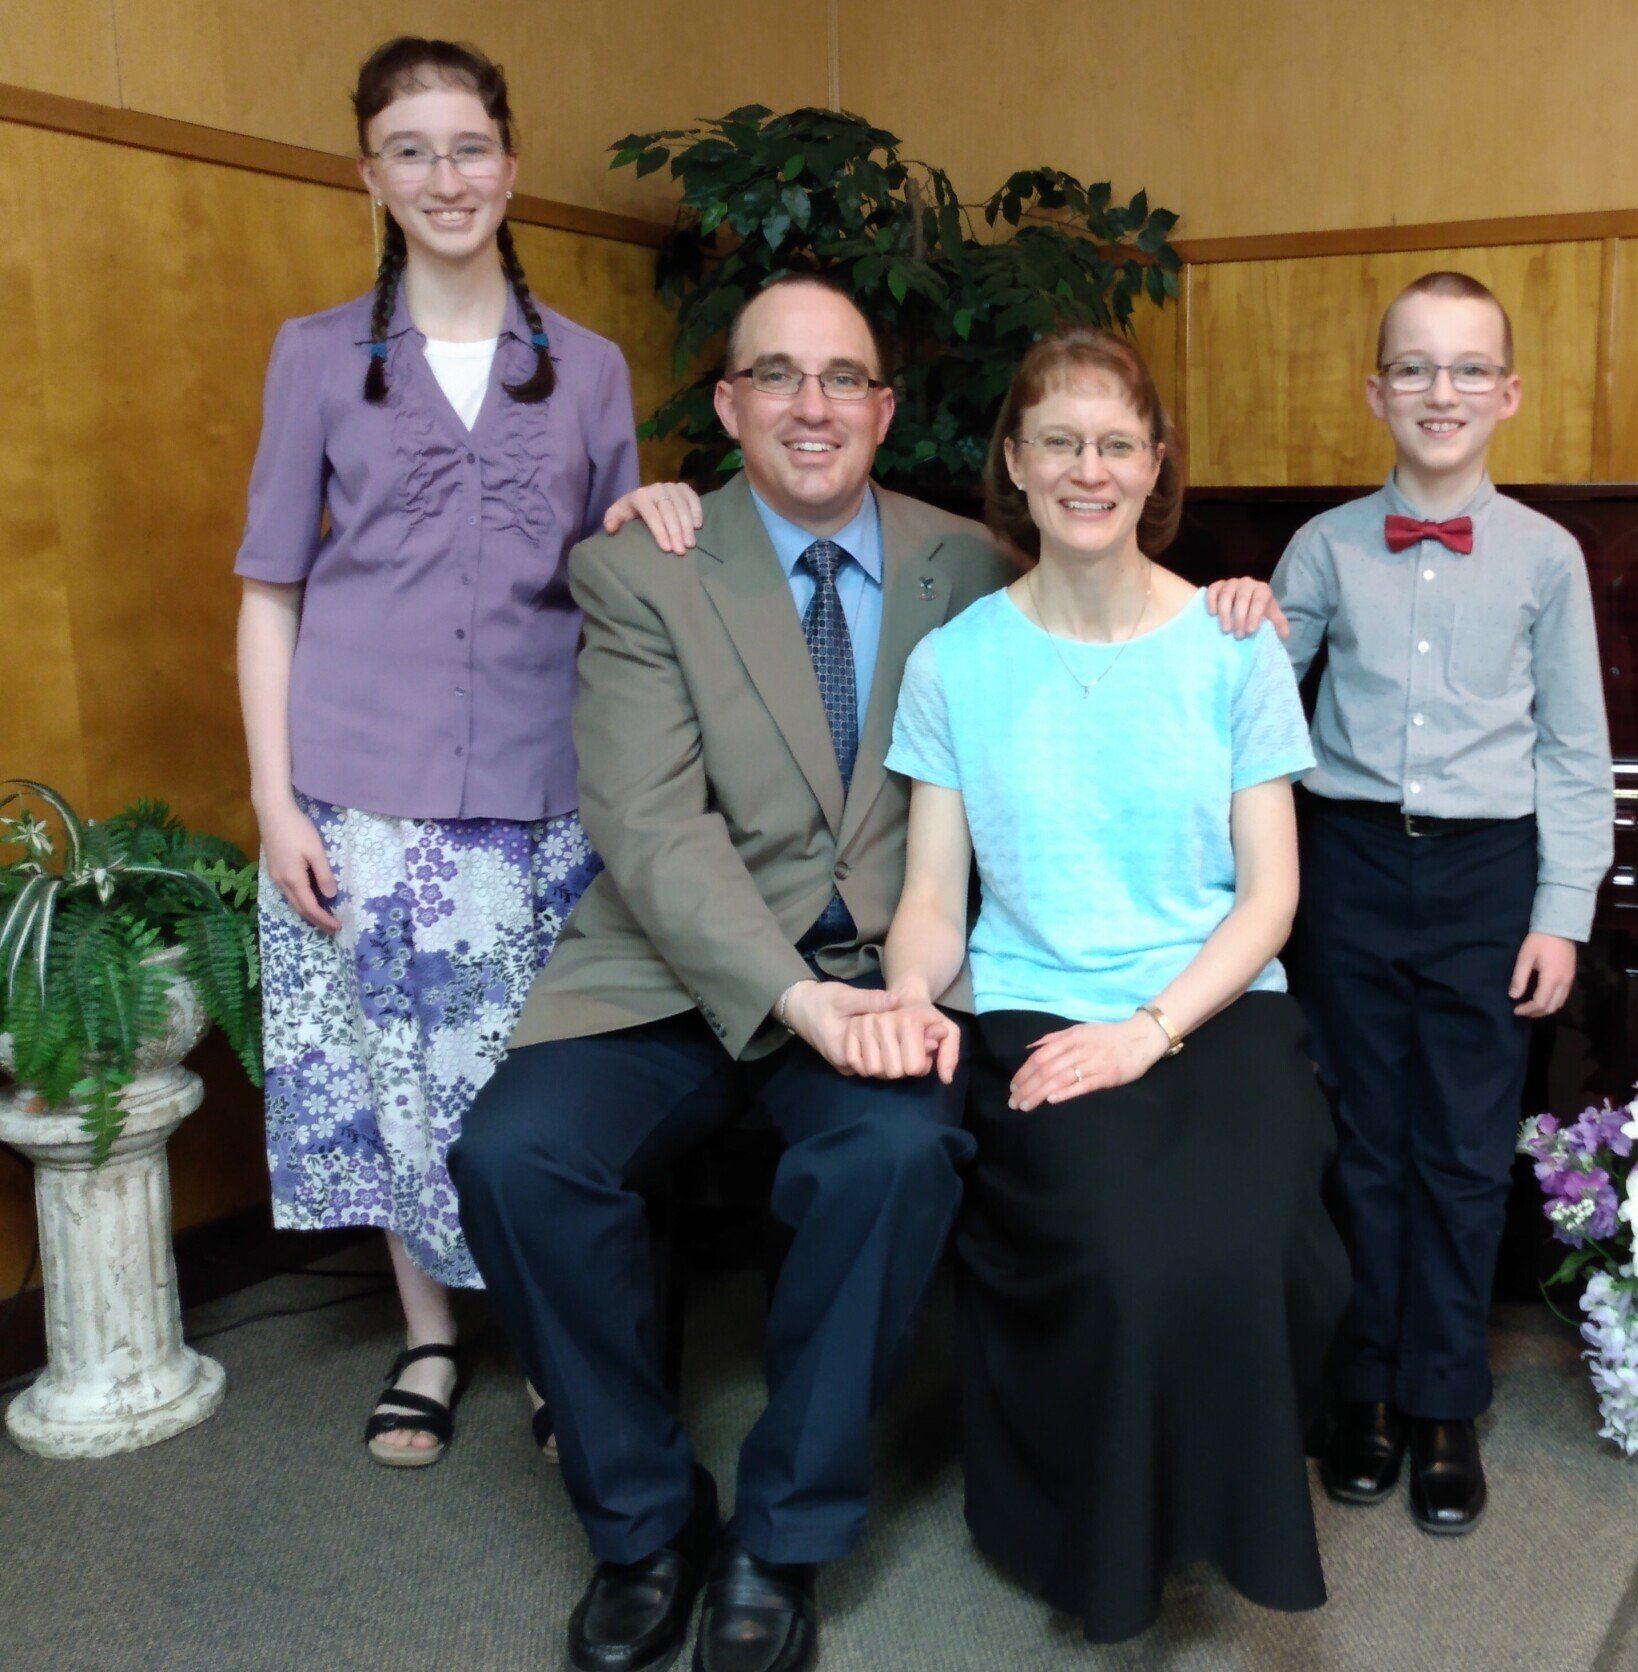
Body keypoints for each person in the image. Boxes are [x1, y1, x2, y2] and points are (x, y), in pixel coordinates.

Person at [448, 275, 1284, 1672]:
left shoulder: (968, 561)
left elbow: (1113, 590)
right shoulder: (644, 564)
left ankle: (782, 1535)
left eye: (844, 378)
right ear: (728, 404)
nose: (813, 405)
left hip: (887, 973)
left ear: (886, 410)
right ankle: (643, 1523)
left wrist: (1239, 598)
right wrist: (792, 997)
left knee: (894, 1160)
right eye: (777, 376)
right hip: (673, 974)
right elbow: (650, 830)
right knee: (514, 1158)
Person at [853, 326, 1351, 1644]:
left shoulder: (1233, 644)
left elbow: (1270, 898)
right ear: (1015, 462)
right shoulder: (956, 662)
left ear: (1155, 464)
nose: (1090, 470)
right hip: (1035, 1007)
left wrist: (1146, 1031)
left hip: (1215, 1001)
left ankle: (1227, 1519)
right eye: (1061, 443)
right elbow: (933, 899)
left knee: (1254, 1244)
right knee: (1123, 1252)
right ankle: (1095, 1541)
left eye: (1117, 444)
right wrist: (909, 995)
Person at [234, 35, 683, 1466]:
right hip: (358, 787)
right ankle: (428, 1337)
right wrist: (273, 803)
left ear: (511, 164)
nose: (445, 177)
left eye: (469, 146)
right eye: (410, 151)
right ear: (368, 176)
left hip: (550, 793)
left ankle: (552, 1345)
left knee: (528, 1087)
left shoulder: (591, 369)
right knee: (395, 1075)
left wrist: (659, 519)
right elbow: (270, 589)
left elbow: (621, 580)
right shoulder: (314, 356)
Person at [1272, 271, 1613, 1533]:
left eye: (1470, 367)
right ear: (1377, 392)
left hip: (1487, 875)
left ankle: (1444, 1394)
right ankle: (1363, 1384)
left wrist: (1560, 909)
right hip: (1348, 864)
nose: (1441, 390)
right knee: (1360, 1136)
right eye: (1414, 366)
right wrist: (1233, 621)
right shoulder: (1323, 545)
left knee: (1466, 1146)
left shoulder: (1548, 557)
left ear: (1508, 394)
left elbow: (1575, 746)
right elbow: (1252, 701)